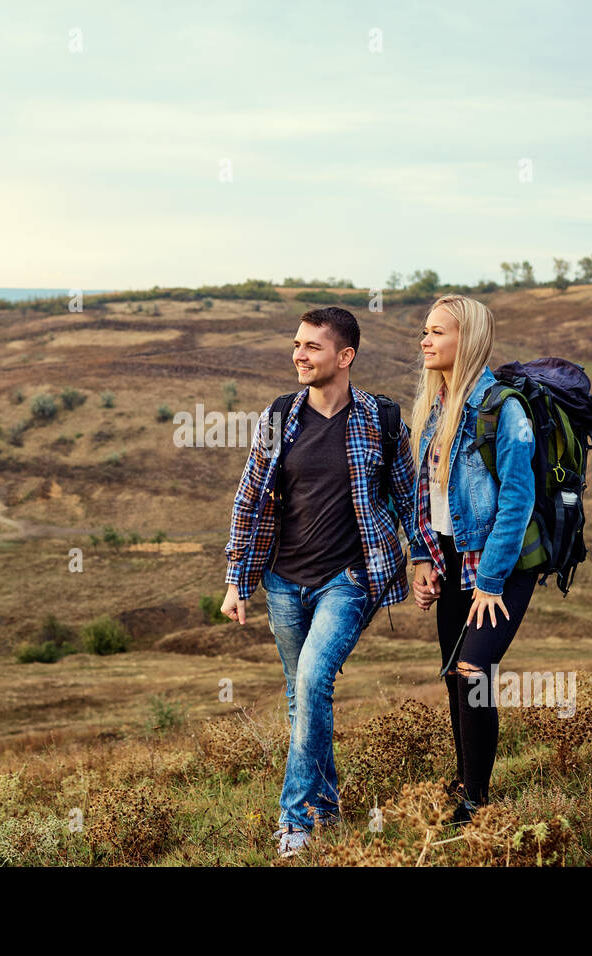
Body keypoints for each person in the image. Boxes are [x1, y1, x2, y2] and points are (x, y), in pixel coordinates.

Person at [220, 306, 424, 857]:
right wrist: (237, 581)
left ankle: (294, 822)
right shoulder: (279, 418)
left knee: (311, 682)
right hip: (284, 582)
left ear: (345, 356)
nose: (299, 355)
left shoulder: (381, 421)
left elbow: (410, 498)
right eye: (296, 344)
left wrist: (424, 557)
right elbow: (247, 500)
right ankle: (327, 808)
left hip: (349, 580)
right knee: (300, 695)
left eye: (312, 346)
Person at [408, 294, 538, 827]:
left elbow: (517, 500)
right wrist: (423, 561)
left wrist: (489, 581)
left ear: (470, 340)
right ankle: (466, 782)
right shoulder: (436, 407)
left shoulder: (503, 408)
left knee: (472, 670)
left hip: (499, 567)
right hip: (453, 564)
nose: (425, 340)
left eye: (438, 332)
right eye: (425, 330)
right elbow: (427, 495)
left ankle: (476, 803)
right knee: (453, 677)